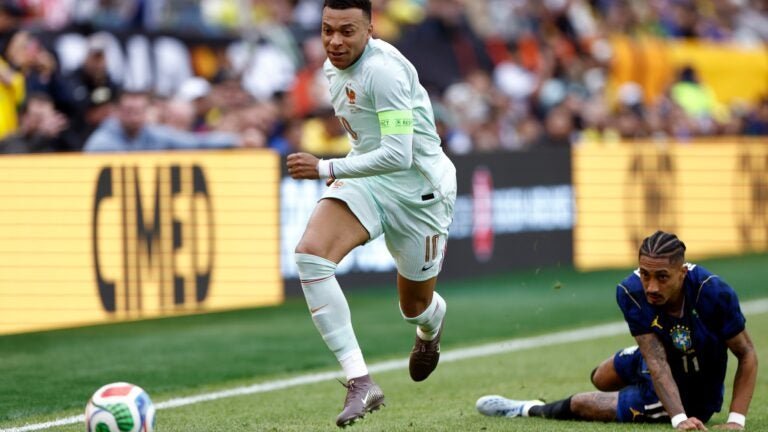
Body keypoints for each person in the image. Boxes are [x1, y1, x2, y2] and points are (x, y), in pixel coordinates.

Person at [286, 0, 456, 427]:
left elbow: (399, 154)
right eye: (327, 30)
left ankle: (431, 327)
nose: (335, 41)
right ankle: (360, 381)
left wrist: (327, 167)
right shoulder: (330, 69)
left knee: (414, 307)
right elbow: (370, 140)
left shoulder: (385, 71)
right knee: (310, 255)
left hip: (420, 193)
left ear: (369, 29)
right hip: (369, 182)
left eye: (347, 31)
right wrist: (343, 171)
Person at [476, 231, 757, 431]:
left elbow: (746, 354)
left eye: (662, 277)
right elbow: (657, 361)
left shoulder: (713, 292)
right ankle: (637, 392)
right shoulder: (630, 291)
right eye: (645, 274)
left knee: (582, 403)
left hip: (693, 391)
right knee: (600, 376)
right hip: (659, 360)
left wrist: (729, 420)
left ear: (682, 273)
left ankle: (527, 408)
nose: (652, 287)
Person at [83, 91, 258, 152]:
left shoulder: (152, 133)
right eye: (129, 111)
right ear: (117, 112)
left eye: (138, 111)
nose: (134, 116)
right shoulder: (101, 142)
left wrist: (235, 140)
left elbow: (194, 142)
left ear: (146, 112)